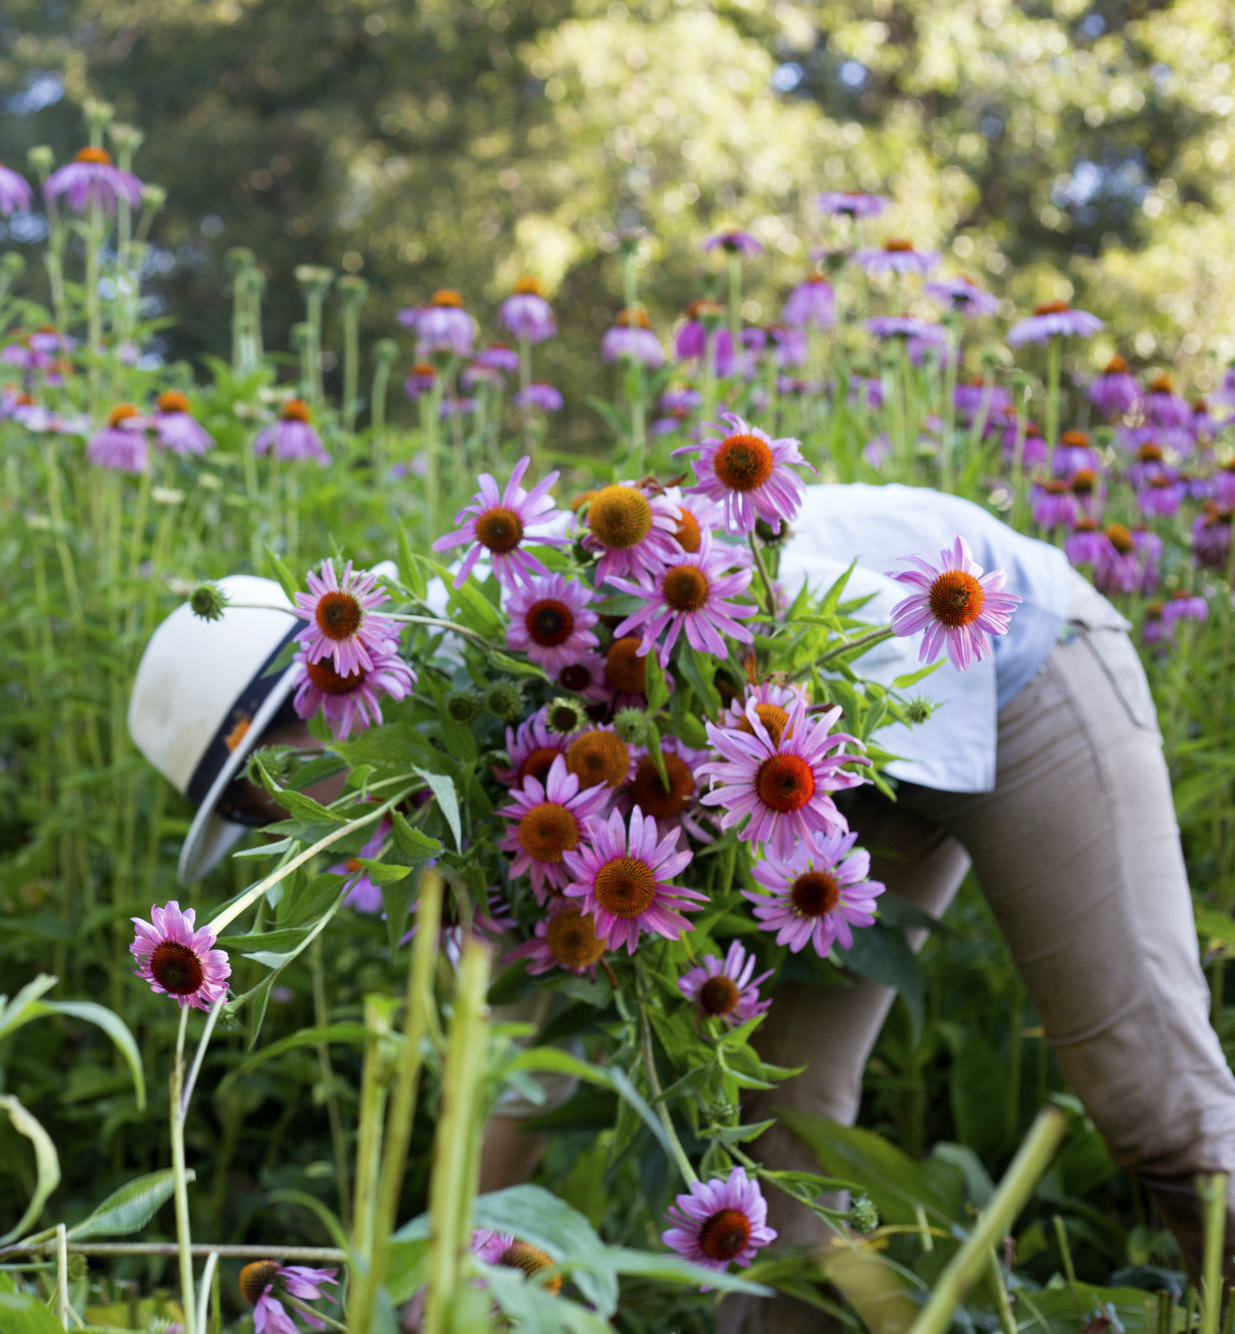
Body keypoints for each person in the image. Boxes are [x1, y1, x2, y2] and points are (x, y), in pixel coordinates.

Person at [127, 485, 1235, 1328]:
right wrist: (437, 1279)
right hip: (809, 776)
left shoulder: (526, 641)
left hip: (1009, 657)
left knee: (1148, 1095)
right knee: (772, 1149)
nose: (285, 833)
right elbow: (518, 1050)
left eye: (263, 797)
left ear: (324, 694)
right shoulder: (449, 797)